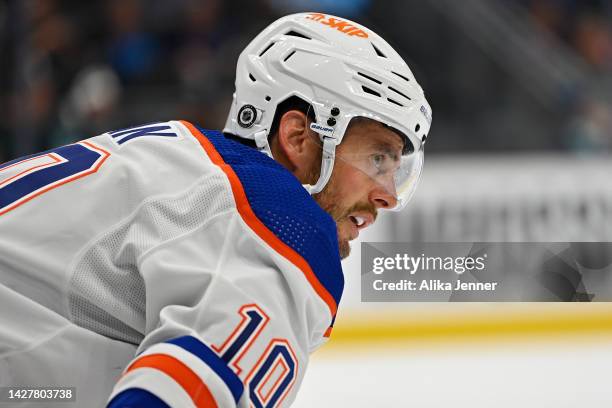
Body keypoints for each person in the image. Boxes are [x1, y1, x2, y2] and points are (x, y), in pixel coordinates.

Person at [0, 12, 431, 408]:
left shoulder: (174, 157)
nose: (388, 195)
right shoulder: (274, 216)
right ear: (298, 137)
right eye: (378, 158)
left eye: (396, 169)